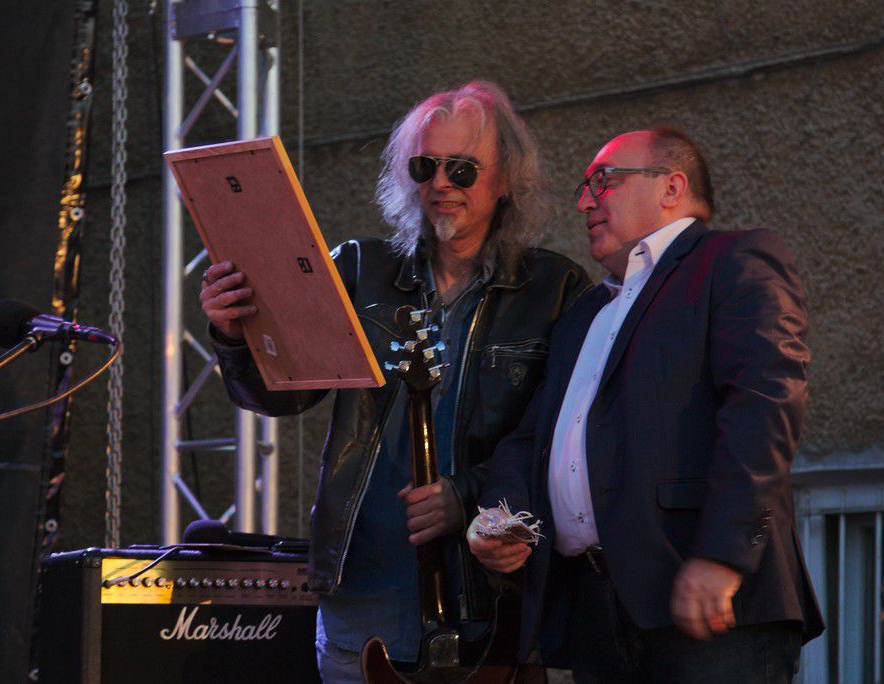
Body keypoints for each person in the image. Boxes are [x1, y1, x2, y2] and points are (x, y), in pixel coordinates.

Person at [199, 80, 590, 682]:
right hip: (365, 597)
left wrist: (466, 495)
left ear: (506, 180)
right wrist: (233, 335)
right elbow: (283, 395)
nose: (441, 183)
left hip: (491, 606)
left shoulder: (556, 289)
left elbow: (566, 442)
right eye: (424, 166)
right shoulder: (360, 269)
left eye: (462, 169)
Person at [467, 127, 824, 682]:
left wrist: (723, 555)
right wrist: (498, 516)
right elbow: (531, 437)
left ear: (671, 187)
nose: (585, 202)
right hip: (595, 609)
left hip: (705, 597)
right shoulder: (585, 313)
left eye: (604, 182)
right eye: (586, 188)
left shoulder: (732, 260)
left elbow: (764, 407)